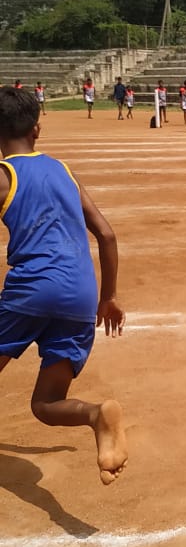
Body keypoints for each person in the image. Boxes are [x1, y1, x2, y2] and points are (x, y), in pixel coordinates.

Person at [0, 88, 127, 483]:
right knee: (46, 403)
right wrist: (108, 298)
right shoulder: (63, 171)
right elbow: (106, 235)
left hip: (33, 289)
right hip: (81, 294)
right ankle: (95, 415)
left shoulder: (4, 176)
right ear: (37, 130)